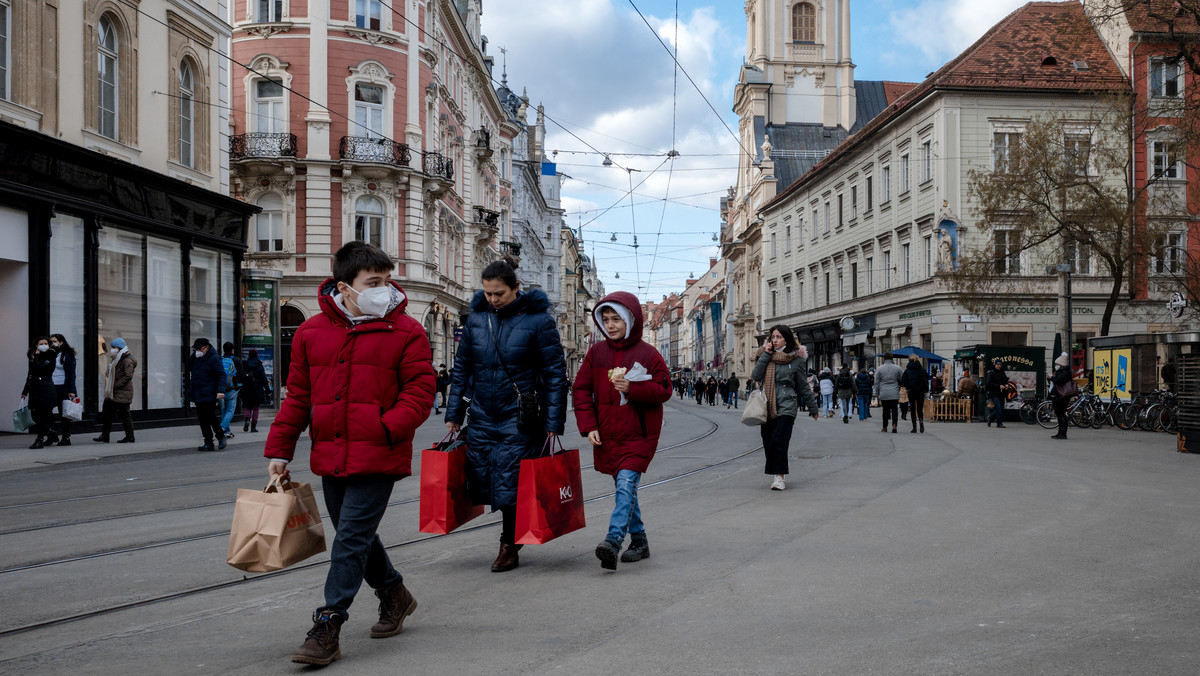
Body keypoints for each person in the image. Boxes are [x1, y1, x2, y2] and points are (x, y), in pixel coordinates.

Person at [266, 241, 435, 667]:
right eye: (373, 283)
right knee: (356, 536)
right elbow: (298, 398)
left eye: (386, 281)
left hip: (379, 453)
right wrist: (280, 451)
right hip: (331, 452)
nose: (385, 290)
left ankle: (329, 623)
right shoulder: (310, 332)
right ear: (345, 287)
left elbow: (420, 390)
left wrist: (387, 426)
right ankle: (395, 593)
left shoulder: (407, 330)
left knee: (350, 540)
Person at [445, 257, 568, 573]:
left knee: (510, 480)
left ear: (516, 288)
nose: (492, 299)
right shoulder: (476, 321)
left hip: (521, 416)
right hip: (483, 413)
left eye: (498, 293)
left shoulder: (539, 322)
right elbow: (462, 370)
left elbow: (555, 374)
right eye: (487, 293)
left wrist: (554, 423)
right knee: (484, 477)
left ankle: (508, 544)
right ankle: (510, 538)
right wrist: (454, 413)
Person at [572, 292, 673, 570]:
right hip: (607, 433)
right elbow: (580, 390)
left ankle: (613, 540)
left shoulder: (648, 354)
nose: (611, 324)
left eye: (616, 318)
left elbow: (665, 390)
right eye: (605, 319)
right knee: (624, 488)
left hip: (639, 434)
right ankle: (639, 541)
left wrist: (634, 388)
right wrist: (588, 425)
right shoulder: (596, 353)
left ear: (630, 319)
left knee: (626, 484)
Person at [751, 325, 819, 491]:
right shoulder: (764, 355)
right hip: (766, 405)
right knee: (768, 441)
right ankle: (775, 470)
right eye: (773, 337)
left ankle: (779, 477)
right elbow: (756, 376)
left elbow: (803, 386)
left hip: (787, 405)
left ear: (787, 339)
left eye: (779, 337)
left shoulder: (796, 360)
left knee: (779, 441)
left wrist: (813, 407)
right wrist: (766, 354)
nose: (775, 340)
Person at [93, 337, 136, 444]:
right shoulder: (116, 358)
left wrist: (115, 385)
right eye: (112, 347)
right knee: (107, 414)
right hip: (113, 392)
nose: (112, 349)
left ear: (120, 348)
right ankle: (105, 435)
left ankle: (130, 436)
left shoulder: (126, 360)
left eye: (114, 347)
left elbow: (128, 376)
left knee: (124, 414)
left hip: (122, 392)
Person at [189, 337, 227, 451]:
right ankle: (208, 442)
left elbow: (221, 375)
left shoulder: (214, 358)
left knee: (210, 416)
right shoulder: (195, 358)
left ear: (206, 347)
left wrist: (221, 391)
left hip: (210, 392)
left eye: (199, 349)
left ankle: (220, 436)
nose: (197, 351)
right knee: (202, 418)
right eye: (195, 349)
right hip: (198, 392)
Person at [21, 337, 58, 449]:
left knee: (43, 415)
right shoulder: (33, 357)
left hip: (46, 389)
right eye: (41, 343)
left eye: (46, 343)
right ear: (36, 346)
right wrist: (25, 391)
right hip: (35, 390)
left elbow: (42, 368)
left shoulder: (51, 356)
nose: (44, 345)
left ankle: (39, 440)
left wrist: (37, 356)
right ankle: (50, 433)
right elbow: (30, 375)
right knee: (36, 415)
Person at [49, 334, 77, 446]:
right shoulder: (50, 354)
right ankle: (52, 433)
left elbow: (71, 373)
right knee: (46, 410)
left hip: (62, 387)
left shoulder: (68, 354)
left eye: (54, 341)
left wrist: (72, 390)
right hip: (51, 386)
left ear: (61, 342)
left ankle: (66, 437)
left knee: (63, 413)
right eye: (51, 341)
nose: (52, 343)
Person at [219, 342, 246, 439]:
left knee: (223, 410)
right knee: (230, 410)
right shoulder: (236, 360)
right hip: (232, 389)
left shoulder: (219, 360)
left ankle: (227, 431)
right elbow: (241, 375)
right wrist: (239, 386)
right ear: (232, 350)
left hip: (221, 389)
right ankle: (222, 427)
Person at [873, 353, 903, 434]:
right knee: (894, 409)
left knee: (885, 410)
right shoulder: (898, 368)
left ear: (884, 358)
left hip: (884, 391)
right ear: (892, 358)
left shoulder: (879, 369)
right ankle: (894, 425)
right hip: (894, 391)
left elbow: (876, 382)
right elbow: (901, 379)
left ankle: (885, 427)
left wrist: (877, 393)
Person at [241, 348, 269, 433]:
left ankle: (246, 420)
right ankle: (253, 427)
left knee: (248, 406)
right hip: (257, 388)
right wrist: (267, 389)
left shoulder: (245, 364)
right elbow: (263, 378)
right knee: (256, 408)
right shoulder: (259, 365)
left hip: (247, 388)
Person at [900, 354, 929, 433]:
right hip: (920, 391)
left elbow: (903, 383)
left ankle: (914, 427)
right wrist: (925, 389)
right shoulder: (922, 369)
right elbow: (926, 379)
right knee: (920, 408)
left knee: (913, 409)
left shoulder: (907, 370)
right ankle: (921, 421)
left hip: (911, 391)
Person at [1049, 353, 1073, 440]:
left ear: (1061, 364)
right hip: (1059, 395)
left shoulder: (1064, 372)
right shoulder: (1063, 372)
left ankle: (1063, 433)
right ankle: (1060, 432)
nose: (1056, 366)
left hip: (1061, 396)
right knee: (1059, 414)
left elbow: (1058, 380)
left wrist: (1051, 377)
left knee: (1061, 414)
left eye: (1057, 364)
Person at [984, 361, 1010, 428]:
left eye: (1000, 365)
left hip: (1002, 393)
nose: (999, 366)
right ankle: (999, 423)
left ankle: (990, 417)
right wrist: (999, 386)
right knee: (998, 408)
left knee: (1001, 409)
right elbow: (988, 384)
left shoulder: (1002, 372)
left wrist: (1006, 384)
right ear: (995, 365)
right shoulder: (991, 373)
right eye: (998, 365)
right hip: (994, 393)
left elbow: (1005, 380)